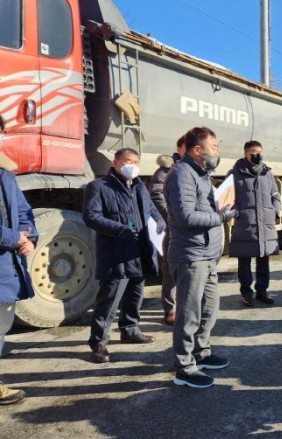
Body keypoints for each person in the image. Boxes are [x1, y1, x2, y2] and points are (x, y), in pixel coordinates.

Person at [83, 148, 165, 364]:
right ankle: (98, 343)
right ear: (116, 162)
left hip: (139, 251)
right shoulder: (99, 187)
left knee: (135, 295)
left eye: (136, 162)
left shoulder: (139, 186)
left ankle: (130, 329)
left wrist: (160, 221)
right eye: (128, 161)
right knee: (109, 300)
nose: (133, 165)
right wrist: (119, 229)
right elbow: (92, 217)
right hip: (115, 253)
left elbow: (150, 210)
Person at [165, 126, 233, 388]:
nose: (217, 152)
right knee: (189, 313)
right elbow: (186, 217)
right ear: (197, 150)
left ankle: (201, 352)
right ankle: (184, 366)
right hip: (191, 255)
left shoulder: (201, 174)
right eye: (214, 147)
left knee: (209, 308)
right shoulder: (182, 174)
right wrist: (221, 217)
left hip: (208, 254)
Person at [0, 124, 36, 405]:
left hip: (7, 267)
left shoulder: (6, 175)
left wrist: (27, 236)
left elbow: (24, 210)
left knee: (2, 325)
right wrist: (16, 238)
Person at [228, 140, 281, 306]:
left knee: (263, 260)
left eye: (259, 151)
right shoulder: (234, 173)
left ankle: (262, 291)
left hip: (265, 223)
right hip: (245, 224)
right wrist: (237, 213)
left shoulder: (267, 173)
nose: (257, 155)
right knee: (244, 261)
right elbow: (228, 199)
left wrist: (275, 209)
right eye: (253, 152)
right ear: (245, 153)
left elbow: (275, 194)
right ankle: (246, 293)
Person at [148, 135, 185, 325]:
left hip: (190, 228)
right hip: (174, 227)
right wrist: (172, 214)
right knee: (170, 271)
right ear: (179, 149)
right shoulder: (167, 170)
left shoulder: (197, 168)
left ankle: (185, 307)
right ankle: (170, 310)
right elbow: (156, 193)